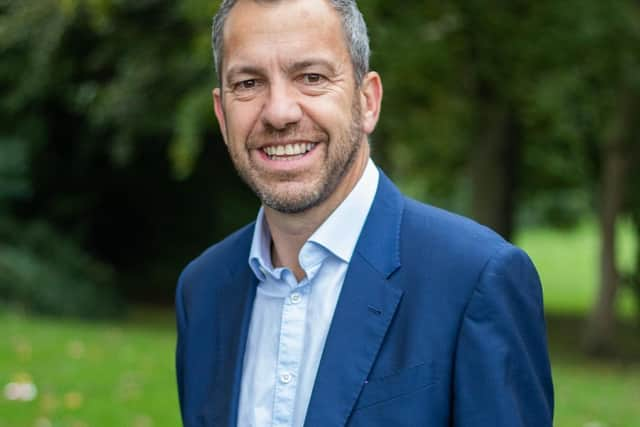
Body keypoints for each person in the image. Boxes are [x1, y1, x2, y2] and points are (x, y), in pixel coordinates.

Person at [174, 0, 554, 426]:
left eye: (311, 77)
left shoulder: (476, 280)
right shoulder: (202, 290)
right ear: (223, 114)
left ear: (368, 101)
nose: (279, 112)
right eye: (248, 83)